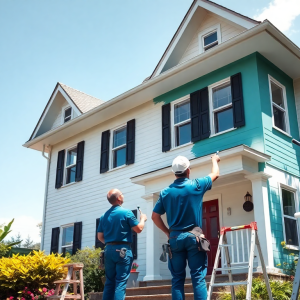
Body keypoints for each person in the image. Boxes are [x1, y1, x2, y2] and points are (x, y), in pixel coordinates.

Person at [152, 154, 220, 300]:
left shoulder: (165, 192)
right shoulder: (196, 185)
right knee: (198, 277)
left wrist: (167, 232)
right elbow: (215, 174)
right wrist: (214, 160)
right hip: (193, 237)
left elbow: (154, 216)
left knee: (177, 279)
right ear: (188, 170)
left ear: (174, 172)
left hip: (175, 239)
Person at [97, 189, 147, 300]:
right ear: (119, 198)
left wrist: (111, 245)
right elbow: (139, 229)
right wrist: (143, 219)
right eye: (122, 194)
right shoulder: (126, 213)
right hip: (122, 250)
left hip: (108, 250)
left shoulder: (103, 216)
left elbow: (100, 237)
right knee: (120, 282)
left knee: (109, 282)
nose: (123, 195)